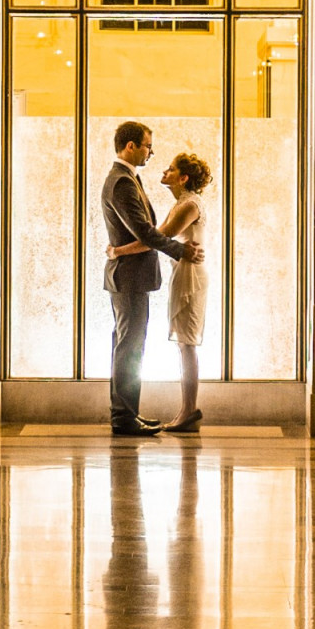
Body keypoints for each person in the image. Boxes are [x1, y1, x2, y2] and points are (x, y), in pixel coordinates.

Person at [101, 122, 203, 437]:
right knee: (129, 347)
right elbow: (144, 232)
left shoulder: (127, 179)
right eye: (147, 145)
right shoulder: (122, 182)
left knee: (128, 345)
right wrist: (180, 251)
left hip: (129, 275)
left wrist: (117, 249)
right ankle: (124, 418)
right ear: (130, 146)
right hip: (129, 277)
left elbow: (145, 231)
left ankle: (126, 414)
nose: (151, 152)